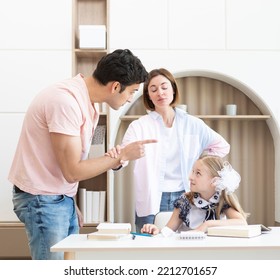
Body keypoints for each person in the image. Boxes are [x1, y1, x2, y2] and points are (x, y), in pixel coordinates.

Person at [8, 49, 157, 260]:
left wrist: (69, 202)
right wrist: (121, 155)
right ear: (115, 86)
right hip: (43, 199)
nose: (131, 98)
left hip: (58, 198)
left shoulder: (87, 102)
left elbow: (68, 165)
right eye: (131, 91)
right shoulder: (65, 102)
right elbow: (72, 171)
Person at [106, 68, 230, 232]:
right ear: (148, 95)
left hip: (186, 194)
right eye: (153, 89)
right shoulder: (139, 126)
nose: (160, 93)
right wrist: (115, 159)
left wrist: (202, 167)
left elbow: (222, 146)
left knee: (185, 245)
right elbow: (123, 157)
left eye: (164, 87)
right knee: (149, 247)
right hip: (152, 198)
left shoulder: (193, 123)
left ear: (173, 89)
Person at [141, 155, 248, 236]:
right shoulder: (184, 201)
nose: (190, 177)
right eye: (192, 171)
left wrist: (207, 224)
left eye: (198, 173)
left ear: (214, 181)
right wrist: (156, 230)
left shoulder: (221, 201)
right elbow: (168, 231)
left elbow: (242, 223)